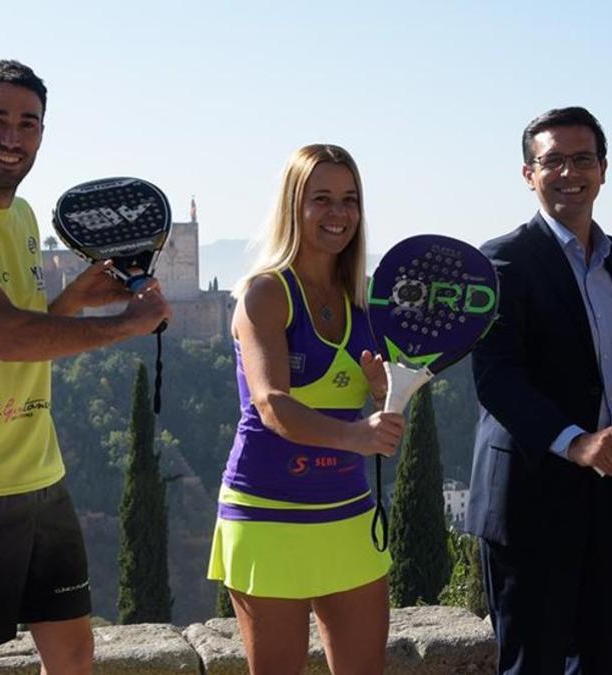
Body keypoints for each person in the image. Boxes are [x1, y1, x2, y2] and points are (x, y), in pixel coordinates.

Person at [0, 60, 172, 674]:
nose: (12, 138)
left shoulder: (21, 217)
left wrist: (72, 303)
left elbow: (26, 323)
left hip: (41, 478)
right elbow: (4, 337)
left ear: (42, 134)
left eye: (28, 123)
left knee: (73, 659)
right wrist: (125, 324)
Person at [465, 107, 612, 674]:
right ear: (529, 174)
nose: (570, 173)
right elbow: (496, 378)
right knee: (533, 667)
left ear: (604, 169)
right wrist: (576, 442)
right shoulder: (500, 261)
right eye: (553, 161)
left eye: (583, 159)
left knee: (601, 664)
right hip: (531, 499)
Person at [206, 144, 405, 674]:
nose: (338, 213)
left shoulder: (363, 300)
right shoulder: (265, 294)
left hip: (348, 513)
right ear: (294, 206)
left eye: (349, 199)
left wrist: (386, 393)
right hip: (267, 517)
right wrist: (359, 436)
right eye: (321, 199)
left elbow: (380, 405)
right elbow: (272, 404)